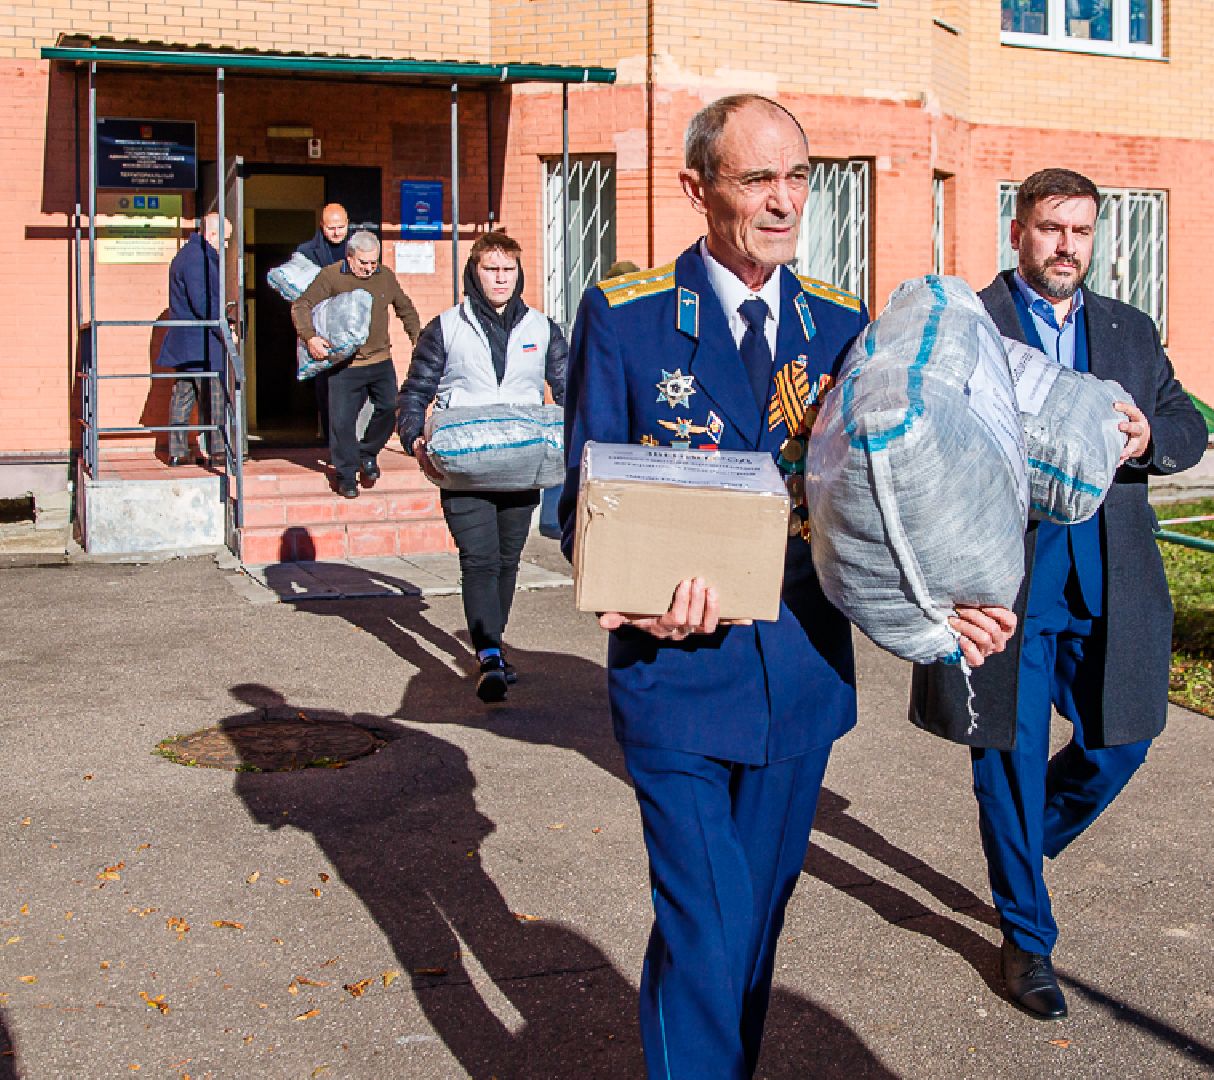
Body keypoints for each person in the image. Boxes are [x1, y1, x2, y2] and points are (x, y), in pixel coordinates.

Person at [559, 94, 1014, 1079]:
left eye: (798, 176)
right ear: (695, 188)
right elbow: (578, 505)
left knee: (750, 932)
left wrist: (949, 600)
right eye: (757, 177)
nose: (783, 200)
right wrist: (628, 595)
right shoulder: (627, 319)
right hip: (674, 681)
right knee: (710, 924)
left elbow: (891, 499)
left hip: (800, 686)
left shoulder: (844, 327)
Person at [913, 168, 1207, 1021]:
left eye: (1080, 231)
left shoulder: (1128, 328)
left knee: (1121, 743)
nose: (1065, 246)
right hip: (1001, 581)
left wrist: (1152, 435)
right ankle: (1025, 941)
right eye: (1049, 228)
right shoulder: (968, 323)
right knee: (1005, 757)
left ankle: (1022, 855)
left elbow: (1185, 424)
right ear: (1018, 231)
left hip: (1108, 573)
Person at [396, 231, 567, 703]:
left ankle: (491, 647)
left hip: (521, 466)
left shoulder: (543, 328)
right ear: (475, 272)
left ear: (519, 273)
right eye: (491, 269)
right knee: (479, 558)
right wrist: (414, 439)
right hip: (464, 470)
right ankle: (490, 654)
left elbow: (570, 388)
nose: (500, 278)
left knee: (508, 562)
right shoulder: (446, 327)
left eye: (508, 270)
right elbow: (415, 391)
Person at [292, 230, 421, 498]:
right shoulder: (331, 276)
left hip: (380, 360)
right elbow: (301, 305)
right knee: (342, 422)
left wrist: (418, 340)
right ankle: (346, 475)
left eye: (374, 263)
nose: (369, 268)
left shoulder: (384, 276)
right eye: (364, 263)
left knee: (388, 407)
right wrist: (310, 337)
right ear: (350, 258)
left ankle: (368, 453)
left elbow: (405, 308)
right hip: (344, 365)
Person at [157, 212, 232, 467]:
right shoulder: (198, 259)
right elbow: (204, 302)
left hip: (187, 342)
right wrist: (224, 329)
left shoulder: (187, 255)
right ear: (212, 234)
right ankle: (218, 450)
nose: (225, 246)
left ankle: (177, 451)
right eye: (224, 240)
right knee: (212, 396)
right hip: (201, 341)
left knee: (184, 395)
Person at [294, 202, 351, 441]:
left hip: (351, 329)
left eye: (341, 227)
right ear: (321, 226)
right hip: (321, 330)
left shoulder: (358, 249)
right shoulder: (306, 252)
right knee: (326, 390)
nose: (337, 232)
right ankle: (330, 442)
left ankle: (353, 444)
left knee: (353, 390)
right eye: (331, 228)